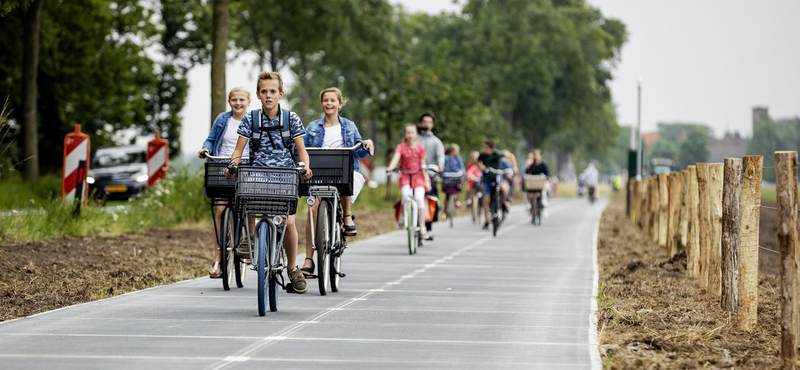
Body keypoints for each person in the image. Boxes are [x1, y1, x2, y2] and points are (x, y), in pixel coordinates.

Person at [224, 71, 313, 294]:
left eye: (273, 91)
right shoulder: (251, 119)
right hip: (258, 175)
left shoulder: (291, 119)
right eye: (264, 92)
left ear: (280, 94)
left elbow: (301, 150)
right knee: (245, 193)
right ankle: (251, 237)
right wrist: (232, 165)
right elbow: (238, 150)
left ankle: (292, 268)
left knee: (289, 224)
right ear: (258, 94)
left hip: (285, 177)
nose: (268, 95)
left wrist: (305, 167)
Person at [300, 87, 374, 277]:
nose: (329, 103)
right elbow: (302, 147)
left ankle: (347, 215)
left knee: (346, 176)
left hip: (342, 173)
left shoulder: (349, 126)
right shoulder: (313, 127)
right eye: (325, 100)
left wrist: (367, 144)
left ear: (340, 104)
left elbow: (359, 149)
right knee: (313, 210)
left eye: (333, 100)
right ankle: (309, 258)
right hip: (318, 173)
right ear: (321, 104)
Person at [198, 86, 253, 278]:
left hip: (247, 168)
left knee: (249, 206)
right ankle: (218, 259)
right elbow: (211, 140)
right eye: (234, 100)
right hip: (223, 167)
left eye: (241, 100)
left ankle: (249, 243)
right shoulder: (223, 119)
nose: (238, 103)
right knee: (220, 211)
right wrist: (205, 149)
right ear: (229, 102)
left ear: (248, 102)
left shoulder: (253, 120)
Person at [386, 124, 430, 239]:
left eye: (412, 133)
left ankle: (422, 227)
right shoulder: (401, 147)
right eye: (408, 133)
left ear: (416, 134)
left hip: (418, 176)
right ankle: (404, 216)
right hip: (405, 176)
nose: (410, 135)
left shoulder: (420, 147)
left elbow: (423, 163)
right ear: (405, 134)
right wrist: (391, 167)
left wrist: (426, 180)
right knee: (405, 195)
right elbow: (396, 158)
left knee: (420, 198)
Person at [416, 112, 444, 240]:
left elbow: (441, 158)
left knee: (429, 198)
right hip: (414, 174)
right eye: (424, 122)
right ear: (421, 123)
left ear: (432, 124)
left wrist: (440, 166)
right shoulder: (414, 138)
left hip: (429, 174)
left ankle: (429, 227)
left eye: (429, 122)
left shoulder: (436, 141)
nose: (426, 124)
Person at [477, 139, 507, 230]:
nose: (484, 149)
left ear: (492, 148)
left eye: (486, 148)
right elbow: (479, 162)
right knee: (486, 199)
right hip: (487, 178)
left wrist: (514, 167)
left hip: (497, 176)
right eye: (484, 147)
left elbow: (510, 156)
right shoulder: (482, 155)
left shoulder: (498, 154)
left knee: (503, 188)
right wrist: (482, 167)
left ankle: (503, 204)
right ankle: (486, 220)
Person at [442, 143, 466, 216]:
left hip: (456, 177)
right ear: (453, 150)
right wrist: (442, 174)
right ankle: (445, 209)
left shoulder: (458, 158)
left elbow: (462, 167)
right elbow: (442, 167)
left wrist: (462, 172)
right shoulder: (446, 158)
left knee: (457, 190)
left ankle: (456, 202)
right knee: (447, 194)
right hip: (447, 177)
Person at [525, 149, 551, 214]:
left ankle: (543, 205)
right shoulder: (532, 165)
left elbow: (547, 174)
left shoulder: (543, 164)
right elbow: (527, 172)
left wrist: (547, 177)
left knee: (542, 193)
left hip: (540, 184)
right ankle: (530, 206)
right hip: (533, 185)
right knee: (531, 195)